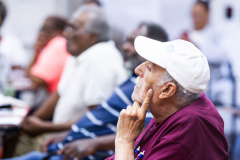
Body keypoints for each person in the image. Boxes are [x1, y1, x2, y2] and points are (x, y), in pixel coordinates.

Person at [5, 22, 168, 160]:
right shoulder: (132, 79)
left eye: (133, 43)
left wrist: (93, 142)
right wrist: (66, 133)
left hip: (78, 152)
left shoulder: (146, 85)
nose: (125, 47)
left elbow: (144, 132)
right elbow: (99, 119)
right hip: (65, 145)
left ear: (92, 36)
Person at [13, 5, 127, 156]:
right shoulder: (79, 54)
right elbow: (58, 94)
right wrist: (31, 121)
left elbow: (96, 120)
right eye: (67, 28)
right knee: (12, 135)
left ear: (92, 37)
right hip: (63, 134)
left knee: (13, 144)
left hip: (75, 142)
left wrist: (44, 127)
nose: (66, 34)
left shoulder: (100, 57)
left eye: (74, 28)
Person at [106, 36, 229, 159]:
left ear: (167, 90)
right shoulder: (172, 108)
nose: (138, 70)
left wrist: (124, 140)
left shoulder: (184, 132)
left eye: (149, 67)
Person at [180, 0, 232, 105]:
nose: (195, 18)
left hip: (212, 87)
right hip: (189, 87)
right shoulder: (186, 34)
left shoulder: (216, 34)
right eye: (193, 14)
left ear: (208, 14)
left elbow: (223, 56)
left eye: (199, 15)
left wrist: (197, 47)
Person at [26, 16, 70, 93]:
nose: (42, 33)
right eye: (41, 29)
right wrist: (37, 51)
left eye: (46, 29)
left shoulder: (58, 43)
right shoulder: (55, 45)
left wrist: (30, 73)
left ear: (59, 32)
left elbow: (39, 79)